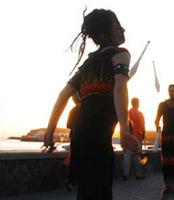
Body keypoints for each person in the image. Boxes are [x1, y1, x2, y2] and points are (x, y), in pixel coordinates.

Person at [42, 9, 140, 199]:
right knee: (101, 191)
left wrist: (50, 130)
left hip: (80, 138)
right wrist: (125, 130)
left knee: (85, 192)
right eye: (117, 27)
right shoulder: (120, 54)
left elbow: (63, 95)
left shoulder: (88, 63)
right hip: (98, 139)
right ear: (104, 34)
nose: (123, 30)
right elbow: (120, 88)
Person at [123, 97, 146, 180]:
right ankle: (139, 174)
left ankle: (125, 174)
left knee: (127, 156)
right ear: (138, 103)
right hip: (137, 138)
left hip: (129, 138)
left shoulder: (127, 113)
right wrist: (143, 135)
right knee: (137, 156)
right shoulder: (140, 114)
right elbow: (143, 127)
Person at [63, 92, 81, 192]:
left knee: (74, 159)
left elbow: (68, 125)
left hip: (74, 136)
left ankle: (70, 181)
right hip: (85, 136)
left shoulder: (73, 110)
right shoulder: (86, 109)